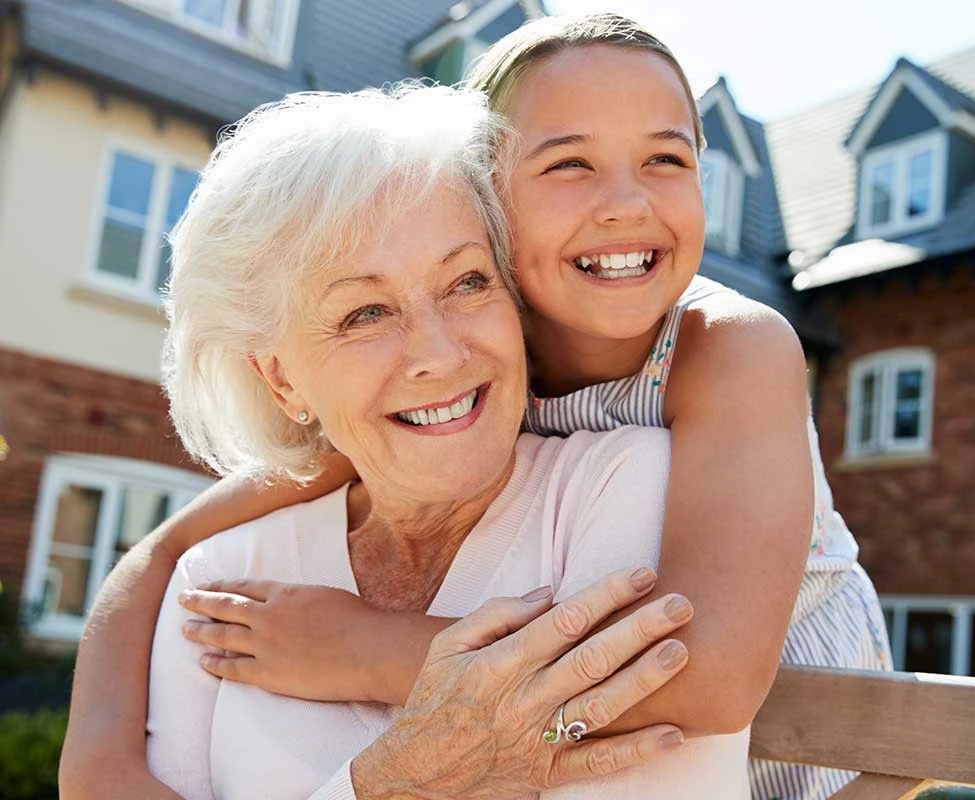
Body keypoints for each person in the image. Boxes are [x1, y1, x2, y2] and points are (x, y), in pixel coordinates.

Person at [63, 14, 890, 800]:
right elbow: (170, 550)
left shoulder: (731, 348)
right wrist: (97, 755)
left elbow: (707, 677)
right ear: (489, 202)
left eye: (667, 160)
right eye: (570, 163)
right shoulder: (478, 357)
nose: (627, 204)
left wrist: (361, 649)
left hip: (839, 760)